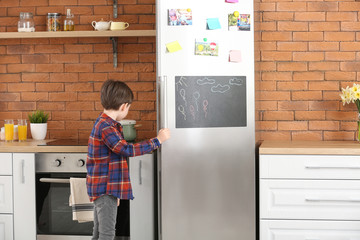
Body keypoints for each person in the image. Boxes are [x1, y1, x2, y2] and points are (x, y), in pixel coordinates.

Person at [86, 79, 170, 240]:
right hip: (105, 189)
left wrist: (115, 194)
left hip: (105, 189)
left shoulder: (104, 123)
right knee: (107, 234)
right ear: (124, 106)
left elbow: (113, 159)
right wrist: (157, 140)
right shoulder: (107, 127)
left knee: (99, 232)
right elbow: (125, 149)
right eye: (129, 107)